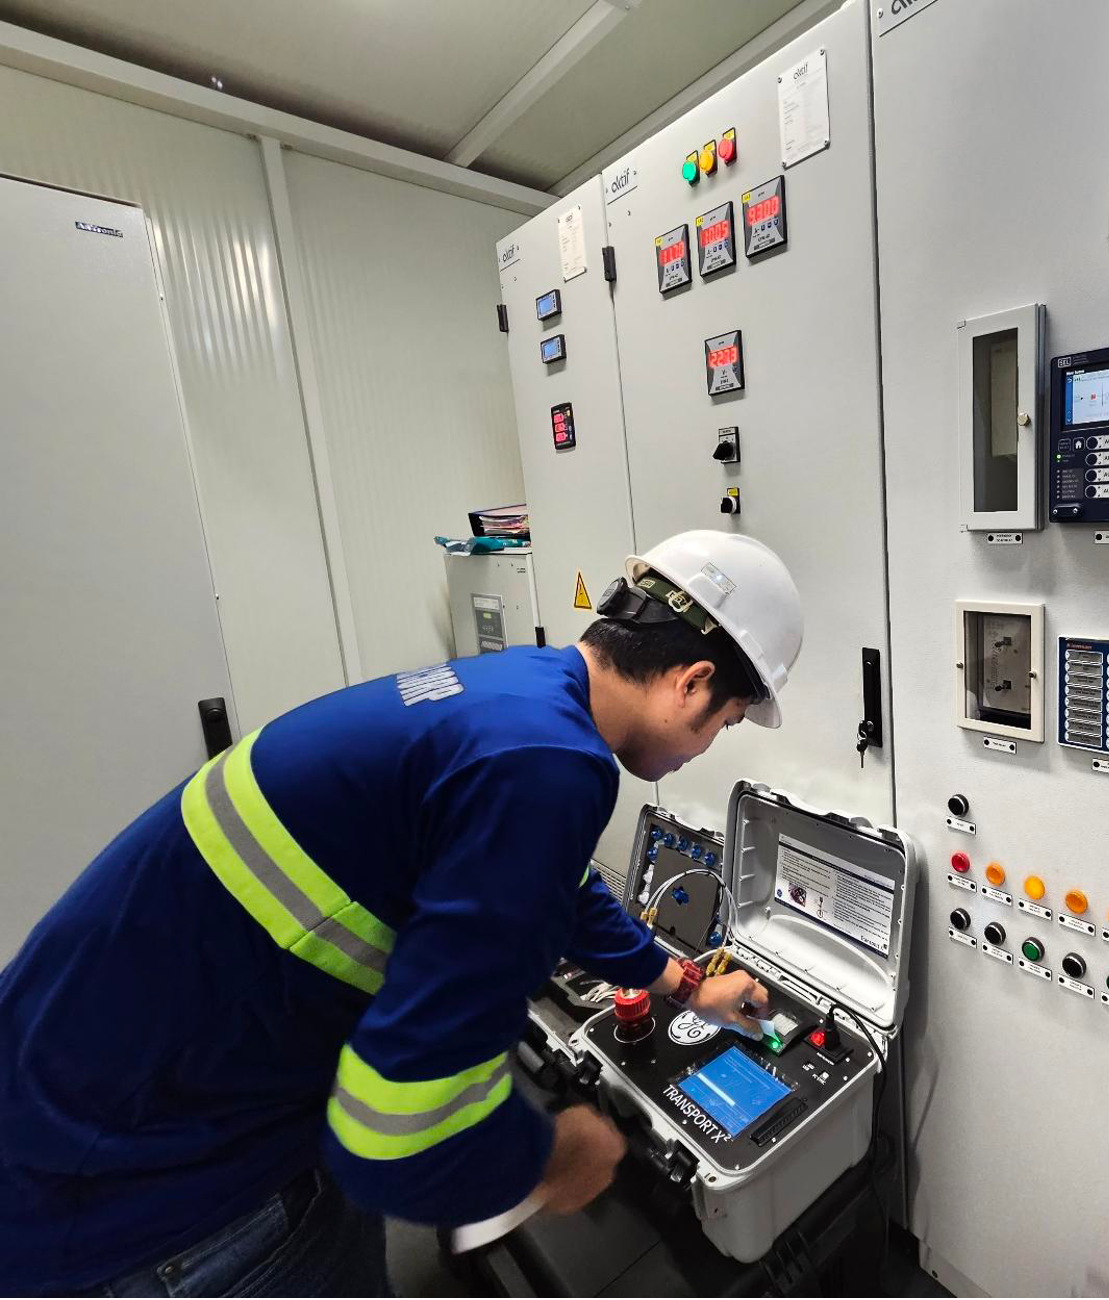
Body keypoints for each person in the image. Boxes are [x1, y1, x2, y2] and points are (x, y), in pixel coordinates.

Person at [0, 530, 803, 1298]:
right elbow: (391, 1127)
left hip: (77, 1074)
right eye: (725, 724)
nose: (706, 748)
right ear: (692, 681)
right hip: (151, 1182)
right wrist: (549, 1155)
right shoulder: (552, 769)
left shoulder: (522, 695)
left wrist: (678, 981)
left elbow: (553, 881)